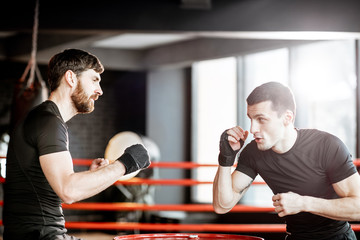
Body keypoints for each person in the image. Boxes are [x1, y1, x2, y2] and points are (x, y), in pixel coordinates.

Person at [3, 49, 151, 240]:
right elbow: (69, 191)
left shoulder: (46, 118)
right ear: (71, 78)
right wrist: (126, 163)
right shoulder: (49, 121)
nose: (100, 90)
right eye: (94, 80)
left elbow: (61, 185)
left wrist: (93, 175)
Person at [213, 81, 360, 240]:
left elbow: (358, 207)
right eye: (251, 119)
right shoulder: (254, 152)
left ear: (287, 118)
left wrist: (303, 203)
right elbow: (222, 206)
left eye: (261, 119)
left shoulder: (327, 146)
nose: (253, 129)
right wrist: (226, 159)